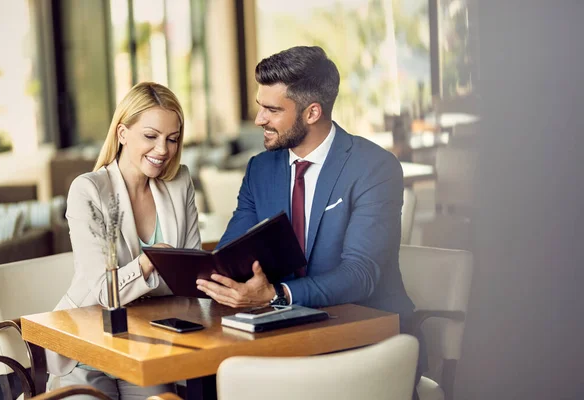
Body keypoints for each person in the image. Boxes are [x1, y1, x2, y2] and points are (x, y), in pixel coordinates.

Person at [196, 45, 414, 328]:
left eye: (272, 110)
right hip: (283, 328)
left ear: (312, 113)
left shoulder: (374, 168)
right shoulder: (259, 169)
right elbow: (231, 254)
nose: (259, 119)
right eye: (261, 106)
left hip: (364, 329)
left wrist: (277, 295)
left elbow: (360, 274)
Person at [47, 82, 201, 399]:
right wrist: (150, 260)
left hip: (148, 344)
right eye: (150, 136)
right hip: (88, 346)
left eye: (172, 139)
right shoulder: (87, 190)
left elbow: (191, 275)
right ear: (122, 134)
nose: (163, 149)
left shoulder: (179, 181)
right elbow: (105, 291)